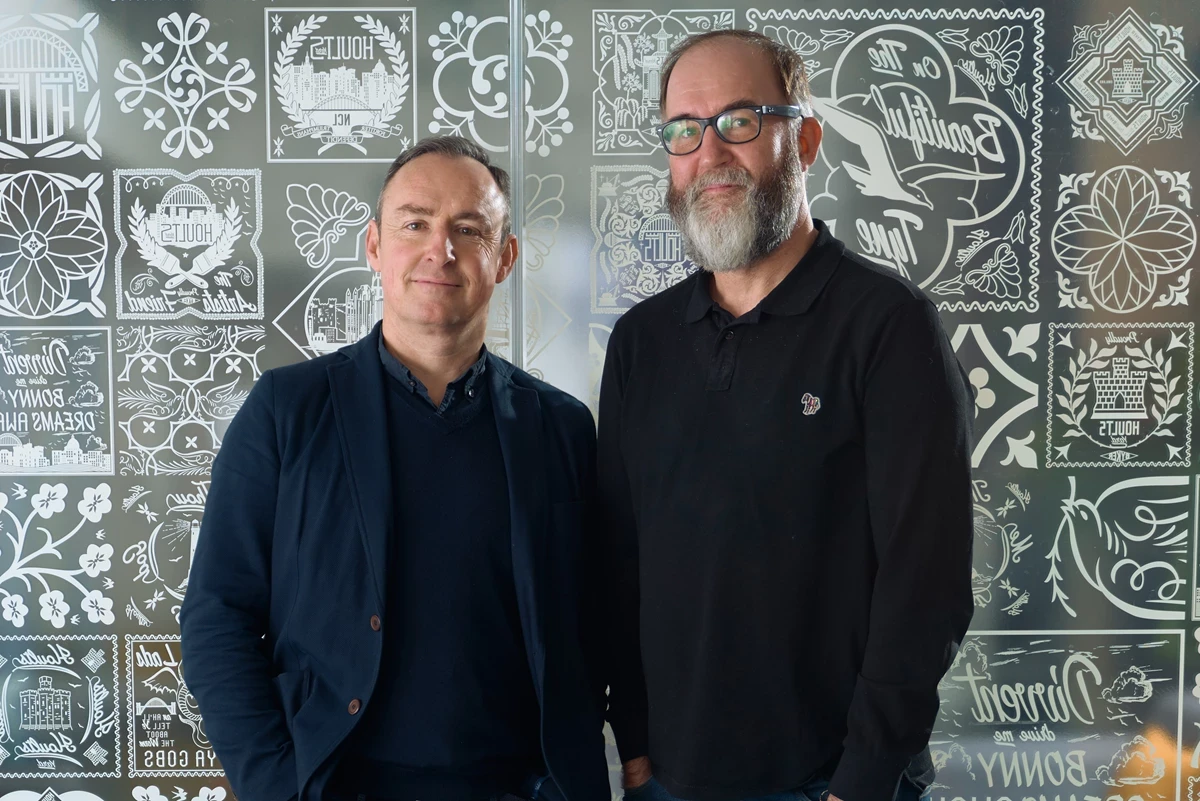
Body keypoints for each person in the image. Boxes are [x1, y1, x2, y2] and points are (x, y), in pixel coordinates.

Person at [597, 30, 974, 801]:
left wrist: (861, 781)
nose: (710, 154)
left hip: (830, 783)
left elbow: (925, 584)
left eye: (740, 121)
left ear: (804, 137)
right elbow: (619, 563)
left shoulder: (888, 326)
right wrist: (634, 746)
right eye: (684, 130)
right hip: (667, 781)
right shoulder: (642, 343)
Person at [180, 136, 609, 801]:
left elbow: (593, 625)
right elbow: (217, 615)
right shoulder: (286, 412)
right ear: (375, 246)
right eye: (416, 224)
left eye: (469, 230)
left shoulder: (561, 427)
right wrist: (274, 785)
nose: (441, 250)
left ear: (505, 258)